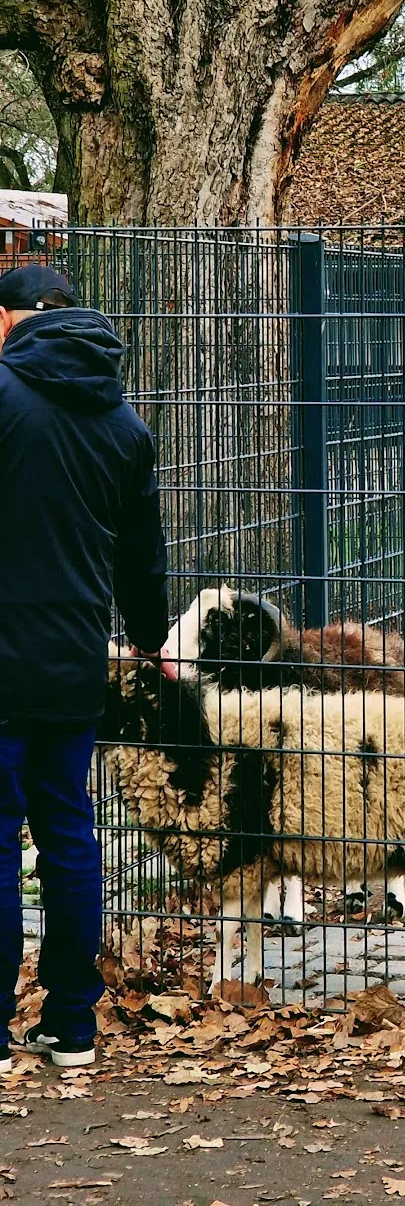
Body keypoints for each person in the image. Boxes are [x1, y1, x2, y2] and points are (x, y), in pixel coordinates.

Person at [0, 263, 169, 1072]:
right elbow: (142, 556)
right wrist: (146, 638)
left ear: (13, 320)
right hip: (72, 662)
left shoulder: (0, 395)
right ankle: (72, 1024)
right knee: (69, 834)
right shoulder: (125, 423)